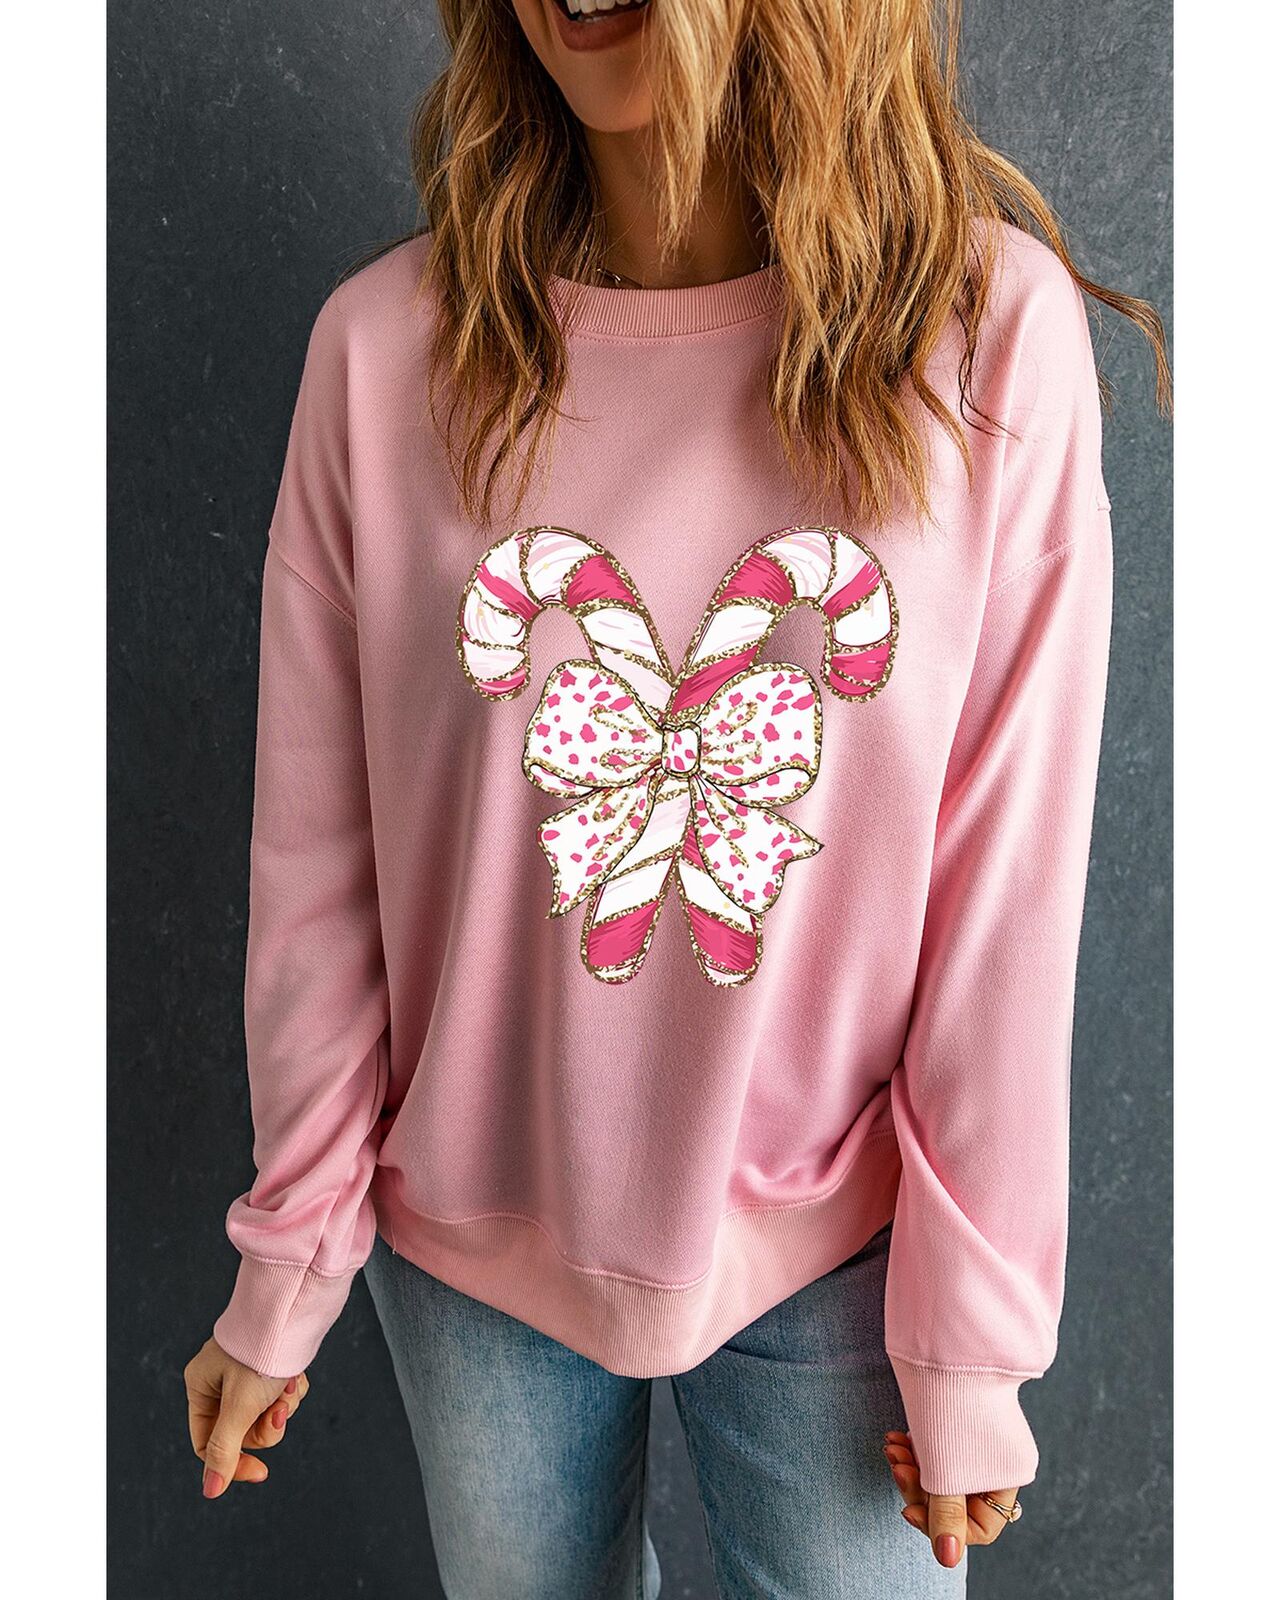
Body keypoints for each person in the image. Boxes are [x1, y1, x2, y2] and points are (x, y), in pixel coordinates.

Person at [182, 2, 1168, 1595]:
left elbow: (1007, 890)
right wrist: (286, 1262)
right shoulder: (383, 355)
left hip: (845, 1245)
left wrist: (974, 1335)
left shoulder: (986, 340)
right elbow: (318, 862)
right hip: (473, 1245)